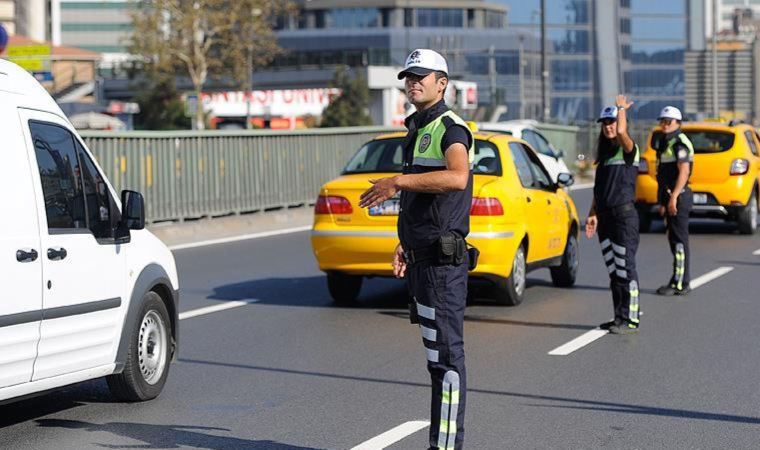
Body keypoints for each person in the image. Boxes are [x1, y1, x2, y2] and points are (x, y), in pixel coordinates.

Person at [358, 48, 474, 450]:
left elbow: (458, 177)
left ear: (442, 83)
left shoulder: (449, 127)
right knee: (435, 361)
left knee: (446, 361)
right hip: (422, 258)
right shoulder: (418, 128)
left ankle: (445, 447)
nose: (413, 82)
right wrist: (403, 244)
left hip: (443, 266)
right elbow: (424, 202)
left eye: (421, 76)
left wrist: (397, 182)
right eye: (409, 76)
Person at [585, 96, 641, 334]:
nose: (609, 126)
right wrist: (592, 214)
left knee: (625, 268)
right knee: (613, 270)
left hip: (623, 218)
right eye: (605, 122)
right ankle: (619, 317)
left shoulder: (628, 150)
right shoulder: (605, 157)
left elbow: (621, 131)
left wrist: (621, 110)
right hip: (606, 218)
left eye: (611, 122)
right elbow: (600, 190)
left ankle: (632, 319)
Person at [654, 106, 694, 296]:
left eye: (668, 122)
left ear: (678, 123)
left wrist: (674, 197)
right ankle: (678, 279)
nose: (664, 125)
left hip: (678, 196)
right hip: (670, 195)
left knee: (679, 241)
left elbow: (684, 171)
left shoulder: (679, 142)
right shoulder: (665, 142)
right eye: (662, 121)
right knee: (674, 239)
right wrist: (663, 201)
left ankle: (680, 282)